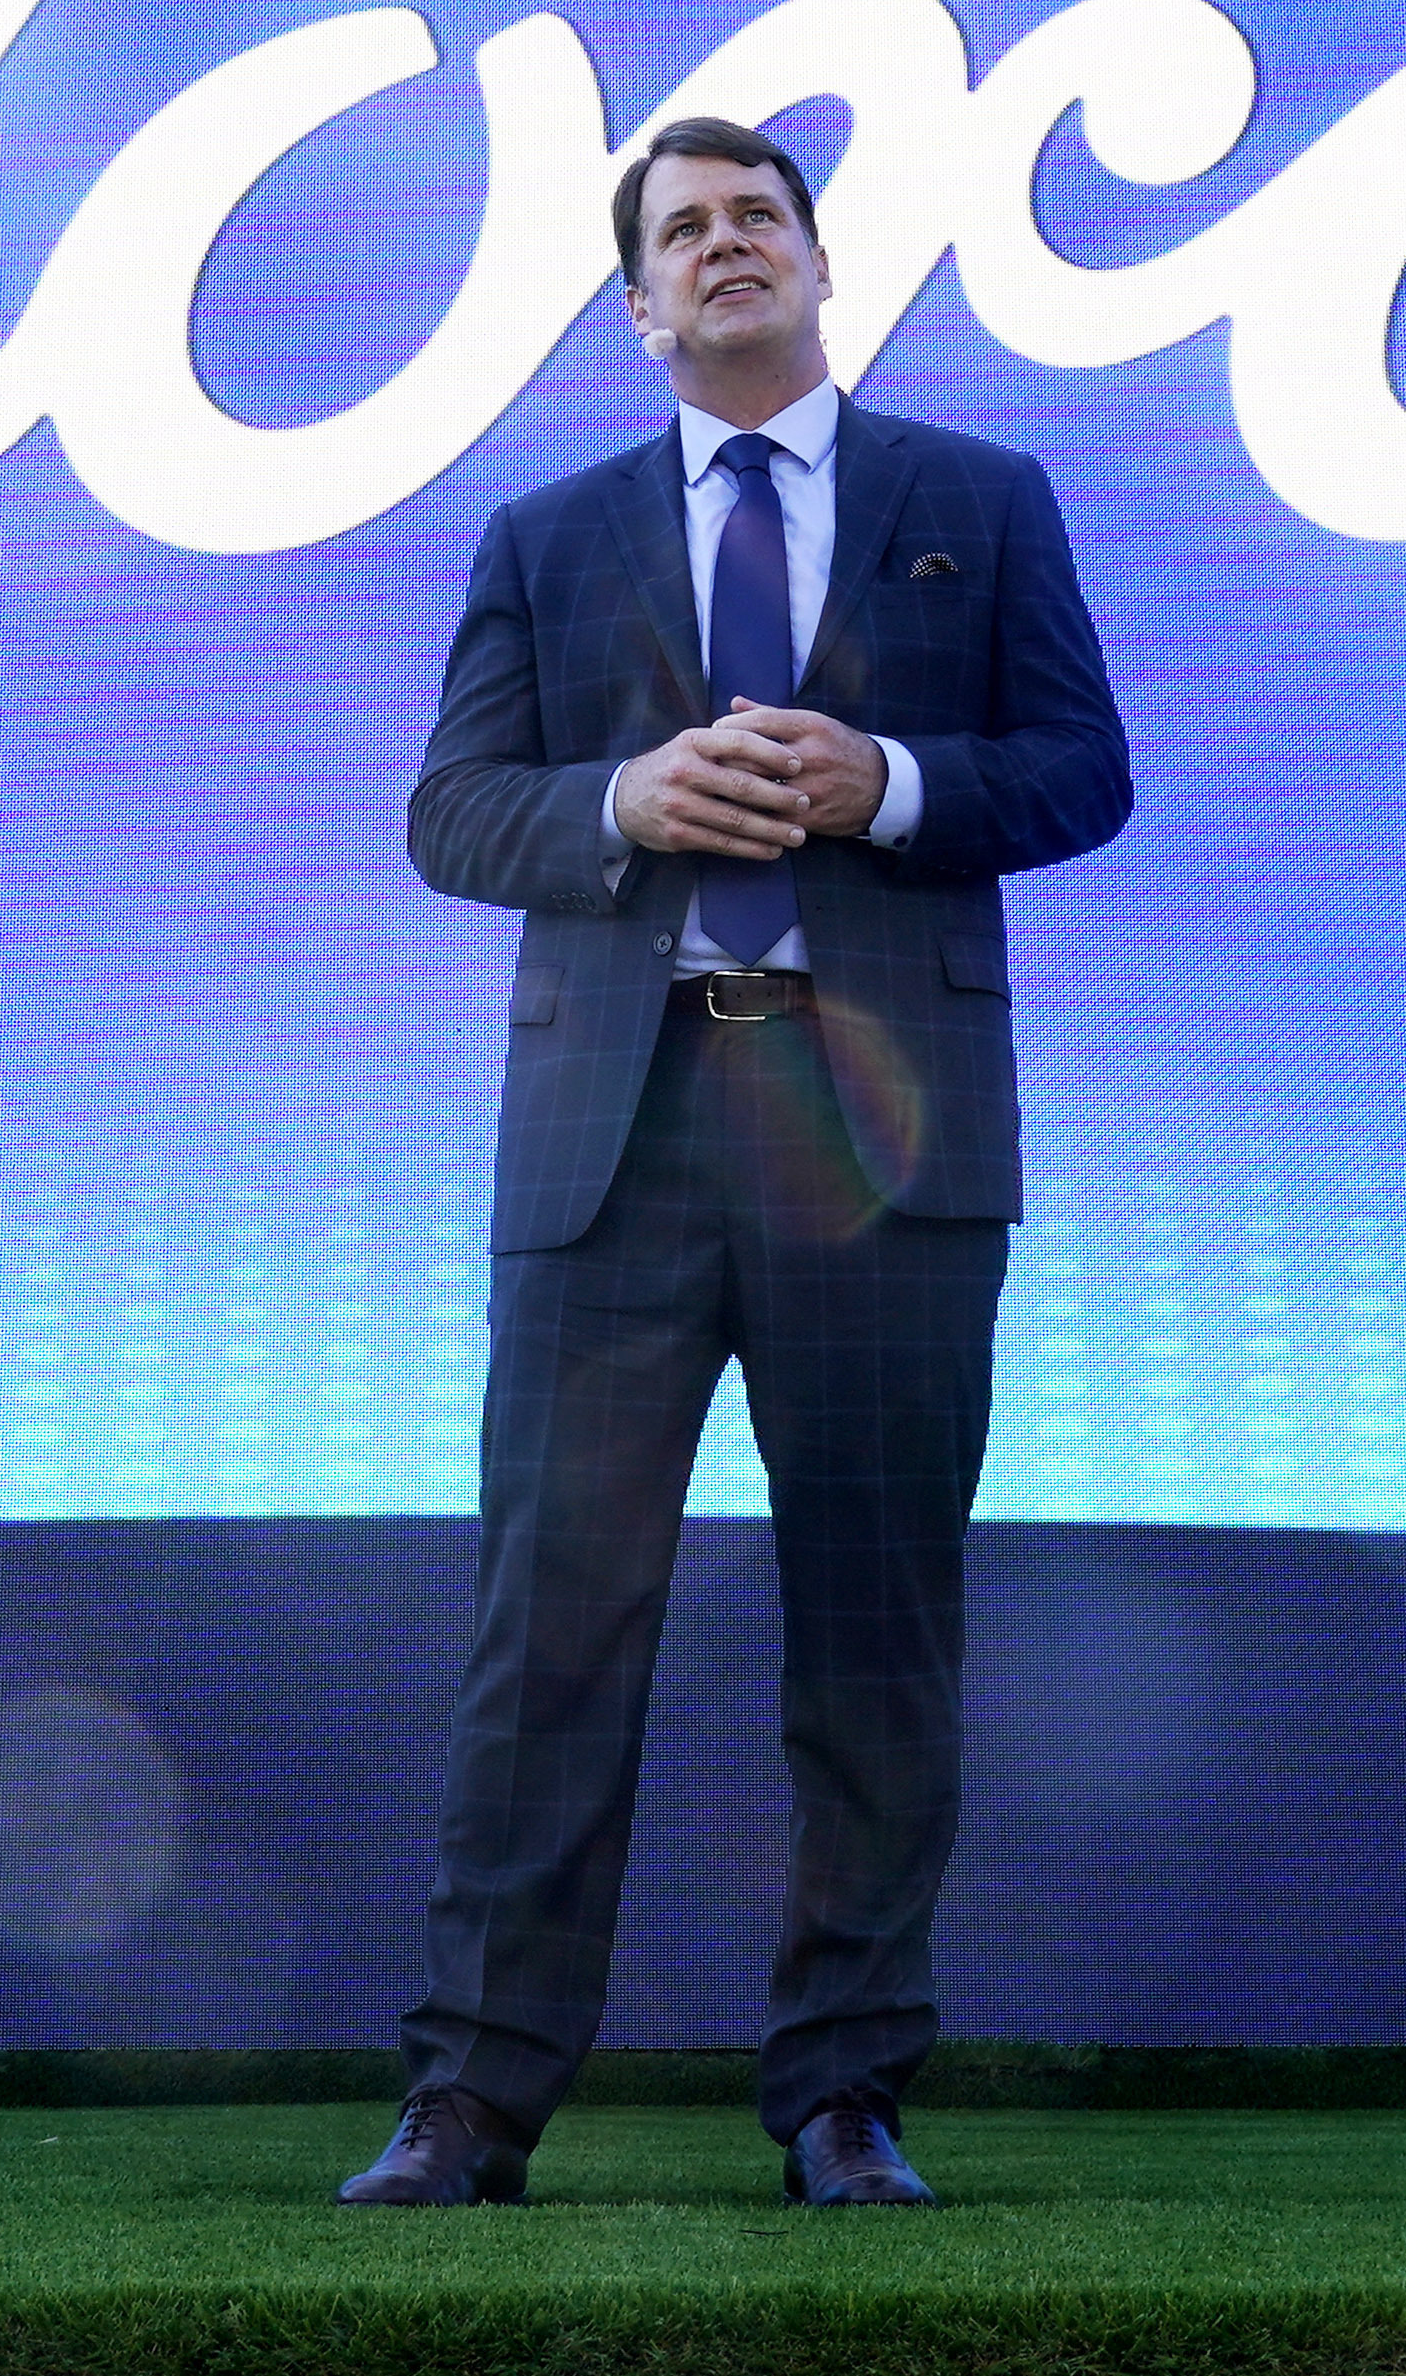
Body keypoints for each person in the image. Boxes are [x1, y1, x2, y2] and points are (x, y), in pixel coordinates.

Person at [340, 116, 1134, 2211]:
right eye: (679, 231)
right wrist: (622, 797)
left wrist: (885, 781)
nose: (721, 248)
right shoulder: (543, 533)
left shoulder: (981, 500)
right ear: (636, 303)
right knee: (551, 1622)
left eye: (752, 216)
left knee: (874, 1626)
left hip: (882, 1143)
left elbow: (1081, 771)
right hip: (619, 1136)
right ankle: (472, 2097)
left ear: (814, 257)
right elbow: (453, 814)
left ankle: (845, 2093)